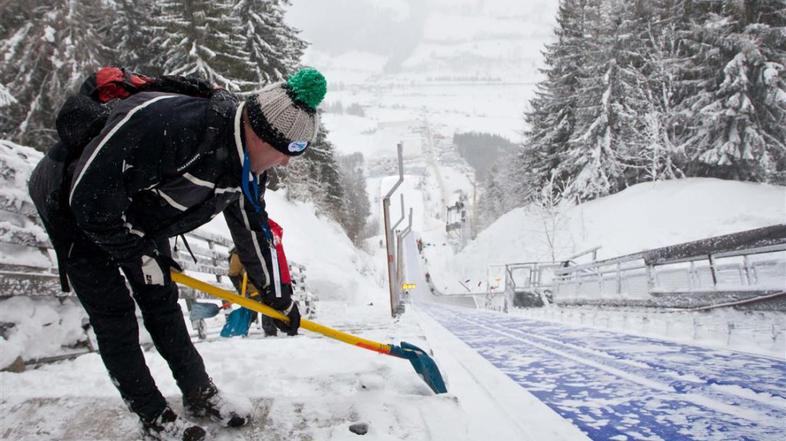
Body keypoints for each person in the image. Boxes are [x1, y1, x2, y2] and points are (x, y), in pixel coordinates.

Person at [28, 67, 325, 441]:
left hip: (137, 216)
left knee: (163, 303)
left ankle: (200, 393)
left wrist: (278, 298)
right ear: (264, 134)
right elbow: (87, 199)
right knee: (115, 316)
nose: (287, 162)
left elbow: (252, 229)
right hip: (73, 206)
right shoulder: (171, 125)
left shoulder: (249, 169)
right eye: (292, 150)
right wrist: (137, 253)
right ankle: (154, 416)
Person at [226, 218, 295, 337]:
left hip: (265, 288)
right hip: (251, 290)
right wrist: (242, 291)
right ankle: (241, 331)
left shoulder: (264, 248)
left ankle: (270, 332)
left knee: (271, 305)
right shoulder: (238, 252)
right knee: (252, 310)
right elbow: (233, 274)